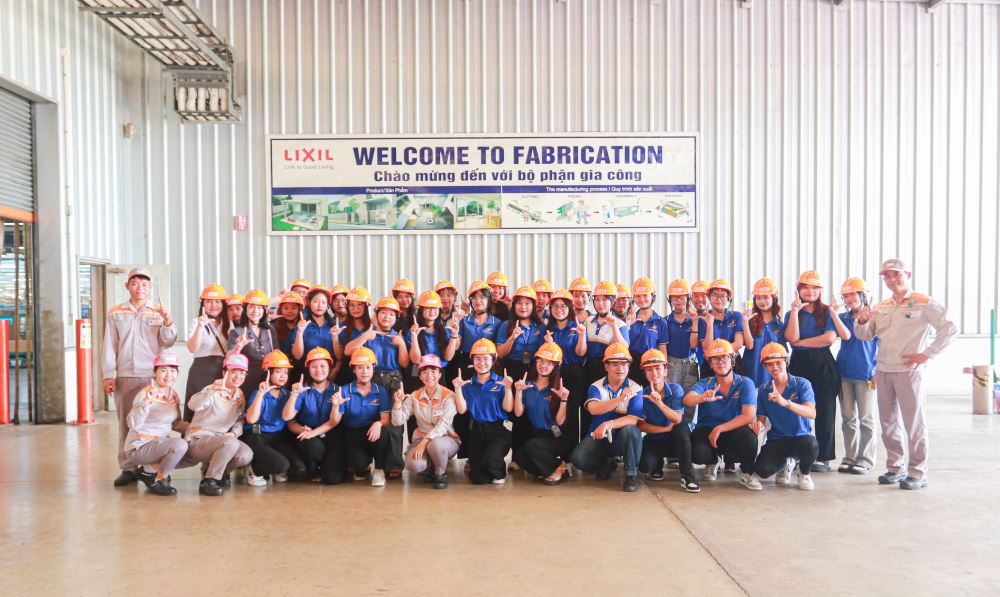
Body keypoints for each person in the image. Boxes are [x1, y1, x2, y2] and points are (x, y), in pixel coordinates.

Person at [854, 258, 957, 490]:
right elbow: (865, 335)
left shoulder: (923, 302)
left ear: (907, 275)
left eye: (896, 275)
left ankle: (918, 472)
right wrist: (861, 320)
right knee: (888, 423)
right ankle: (895, 468)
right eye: (887, 276)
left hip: (909, 372)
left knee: (914, 423)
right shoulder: (881, 306)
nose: (892, 280)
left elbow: (949, 328)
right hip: (884, 371)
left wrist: (926, 354)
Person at [103, 267, 178, 487]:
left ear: (150, 287)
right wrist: (108, 375)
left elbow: (167, 341)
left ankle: (152, 468)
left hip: (152, 377)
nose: (140, 288)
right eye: (135, 283)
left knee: (155, 423)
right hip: (125, 376)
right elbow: (109, 345)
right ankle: (128, 468)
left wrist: (168, 321)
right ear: (127, 286)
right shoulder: (116, 313)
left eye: (144, 284)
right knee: (127, 424)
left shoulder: (157, 312)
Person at [301, 347, 391, 487]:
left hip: (372, 432)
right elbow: (333, 422)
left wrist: (378, 423)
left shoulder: (381, 391)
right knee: (357, 463)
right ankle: (362, 468)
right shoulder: (343, 390)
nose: (364, 371)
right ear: (353, 370)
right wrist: (335, 406)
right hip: (352, 434)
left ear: (373, 368)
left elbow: (385, 419)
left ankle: (379, 469)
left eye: (368, 367)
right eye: (360, 368)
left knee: (384, 433)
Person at [345, 295, 411, 479]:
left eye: (391, 314)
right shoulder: (368, 333)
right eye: (383, 313)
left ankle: (394, 464)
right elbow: (348, 351)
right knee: (369, 418)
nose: (387, 317)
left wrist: (402, 345)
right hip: (370, 378)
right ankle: (368, 461)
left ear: (396, 317)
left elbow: (404, 363)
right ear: (376, 314)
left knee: (395, 422)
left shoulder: (398, 335)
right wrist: (365, 337)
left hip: (394, 380)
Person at [683, 339, 761, 491]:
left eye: (724, 357)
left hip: (733, 429)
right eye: (715, 359)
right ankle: (712, 461)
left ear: (732, 360)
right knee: (698, 453)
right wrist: (701, 397)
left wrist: (719, 429)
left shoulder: (745, 383)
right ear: (710, 364)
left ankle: (746, 472)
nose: (720, 362)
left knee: (749, 437)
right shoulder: (705, 383)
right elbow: (687, 400)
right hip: (707, 430)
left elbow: (748, 416)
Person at [783, 270, 840, 473]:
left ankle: (823, 457)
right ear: (798, 290)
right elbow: (791, 338)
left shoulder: (826, 312)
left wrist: (801, 343)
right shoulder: (791, 313)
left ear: (820, 291)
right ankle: (799, 453)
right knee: (797, 409)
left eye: (815, 288)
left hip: (823, 362)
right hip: (799, 363)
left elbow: (829, 338)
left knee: (825, 409)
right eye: (806, 287)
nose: (810, 291)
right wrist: (795, 312)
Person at [569, 343, 645, 492]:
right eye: (615, 364)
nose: (620, 368)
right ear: (606, 366)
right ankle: (606, 464)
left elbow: (633, 419)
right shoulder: (596, 387)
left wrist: (607, 424)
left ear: (629, 367)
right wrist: (619, 399)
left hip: (621, 439)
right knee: (578, 459)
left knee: (631, 431)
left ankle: (631, 475)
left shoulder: (636, 388)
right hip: (599, 438)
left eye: (624, 364)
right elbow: (594, 409)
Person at [752, 343, 819, 491]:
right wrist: (758, 425)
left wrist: (786, 403)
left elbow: (811, 412)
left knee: (811, 445)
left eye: (778, 362)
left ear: (786, 361)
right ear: (765, 366)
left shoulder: (802, 384)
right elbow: (761, 418)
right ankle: (786, 464)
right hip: (777, 439)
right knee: (762, 471)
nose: (775, 367)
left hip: (801, 437)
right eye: (770, 364)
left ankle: (804, 473)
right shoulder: (763, 390)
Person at [121, 351, 190, 496]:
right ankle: (157, 479)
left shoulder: (173, 395)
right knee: (180, 445)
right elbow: (133, 424)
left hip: (159, 444)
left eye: (173, 371)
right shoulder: (146, 394)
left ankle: (148, 471)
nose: (168, 375)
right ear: (154, 372)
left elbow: (176, 423)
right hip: (139, 446)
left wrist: (197, 429)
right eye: (163, 370)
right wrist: (145, 405)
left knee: (193, 453)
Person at [185, 354, 253, 496]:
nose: (238, 376)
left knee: (245, 455)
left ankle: (220, 473)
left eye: (242, 373)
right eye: (233, 372)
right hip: (199, 440)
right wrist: (210, 391)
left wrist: (234, 433)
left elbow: (240, 419)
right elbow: (193, 405)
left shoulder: (239, 394)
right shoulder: (212, 389)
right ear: (224, 372)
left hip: (221, 440)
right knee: (230, 443)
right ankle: (209, 481)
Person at [391, 354, 460, 489]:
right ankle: (430, 468)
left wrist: (425, 442)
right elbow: (397, 422)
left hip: (445, 439)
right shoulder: (414, 396)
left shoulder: (449, 396)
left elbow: (443, 425)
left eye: (434, 371)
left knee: (435, 445)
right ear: (420, 376)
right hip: (421, 439)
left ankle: (440, 473)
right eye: (425, 372)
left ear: (440, 374)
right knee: (413, 465)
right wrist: (398, 403)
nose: (429, 375)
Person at [453, 339, 515, 485]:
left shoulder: (502, 382)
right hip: (478, 430)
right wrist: (457, 389)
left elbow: (508, 408)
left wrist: (508, 389)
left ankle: (499, 473)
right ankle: (488, 468)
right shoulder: (467, 385)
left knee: (491, 458)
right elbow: (461, 410)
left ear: (493, 361)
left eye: (486, 359)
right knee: (478, 479)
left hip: (500, 429)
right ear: (472, 361)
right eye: (478, 359)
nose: (482, 363)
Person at [496, 285, 547, 462]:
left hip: (534, 371)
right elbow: (500, 353)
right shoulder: (505, 325)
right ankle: (516, 457)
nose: (523, 307)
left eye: (527, 303)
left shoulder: (540, 327)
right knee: (513, 413)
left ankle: (530, 456)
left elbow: (544, 354)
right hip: (512, 369)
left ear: (533, 306)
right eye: (519, 303)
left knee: (530, 411)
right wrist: (512, 337)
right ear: (514, 305)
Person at [282, 347, 347, 484]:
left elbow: (333, 422)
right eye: (314, 366)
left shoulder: (337, 390)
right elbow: (288, 418)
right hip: (308, 436)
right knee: (312, 447)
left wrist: (335, 406)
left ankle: (327, 467)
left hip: (330, 435)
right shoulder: (302, 389)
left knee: (332, 479)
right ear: (308, 369)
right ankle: (312, 468)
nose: (318, 370)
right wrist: (294, 395)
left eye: (322, 366)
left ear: (329, 368)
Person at [451, 281, 502, 458]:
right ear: (470, 301)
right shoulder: (464, 321)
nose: (478, 301)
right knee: (464, 411)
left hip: (487, 365)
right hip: (466, 364)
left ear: (489, 300)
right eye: (475, 298)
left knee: (485, 406)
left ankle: (489, 450)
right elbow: (457, 345)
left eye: (482, 297)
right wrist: (454, 333)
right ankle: (467, 454)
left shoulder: (497, 323)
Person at [636, 349, 698, 492]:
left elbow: (677, 418)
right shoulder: (642, 394)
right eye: (649, 369)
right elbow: (641, 425)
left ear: (665, 371)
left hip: (675, 441)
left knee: (681, 427)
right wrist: (664, 429)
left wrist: (659, 403)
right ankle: (657, 464)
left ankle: (688, 475)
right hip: (655, 440)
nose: (654, 373)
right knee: (645, 465)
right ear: (644, 373)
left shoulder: (676, 389)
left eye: (658, 368)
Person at [512, 342, 574, 485]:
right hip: (537, 434)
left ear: (555, 366)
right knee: (520, 457)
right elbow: (518, 413)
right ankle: (550, 470)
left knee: (531, 446)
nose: (543, 365)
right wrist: (519, 392)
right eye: (540, 361)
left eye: (549, 363)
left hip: (556, 436)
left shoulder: (558, 389)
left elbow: (560, 422)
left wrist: (563, 400)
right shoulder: (527, 385)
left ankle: (559, 467)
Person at [834, 277, 879, 475]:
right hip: (844, 373)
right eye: (846, 296)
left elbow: (883, 345)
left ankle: (865, 459)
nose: (849, 299)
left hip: (866, 374)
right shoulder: (842, 318)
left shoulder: (875, 317)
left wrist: (878, 371)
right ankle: (849, 457)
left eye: (853, 295)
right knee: (847, 418)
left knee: (866, 418)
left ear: (863, 295)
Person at [241, 350, 302, 485]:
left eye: (285, 372)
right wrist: (261, 394)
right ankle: (252, 469)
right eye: (278, 372)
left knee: (298, 466)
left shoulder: (287, 394)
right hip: (256, 435)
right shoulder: (258, 393)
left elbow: (288, 417)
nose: (283, 376)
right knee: (282, 465)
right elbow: (251, 419)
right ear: (268, 373)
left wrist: (294, 395)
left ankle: (273, 467)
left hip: (276, 437)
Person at [544, 289, 588, 443]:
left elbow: (581, 353)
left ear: (570, 308)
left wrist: (581, 336)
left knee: (572, 411)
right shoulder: (547, 329)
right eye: (555, 306)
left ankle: (572, 449)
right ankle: (556, 445)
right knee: (555, 408)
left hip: (575, 372)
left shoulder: (577, 326)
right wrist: (548, 344)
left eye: (563, 306)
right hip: (554, 373)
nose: (559, 309)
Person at [184, 283, 230, 420]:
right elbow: (192, 348)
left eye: (217, 301)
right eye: (209, 301)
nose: (213, 305)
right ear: (202, 304)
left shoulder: (228, 323)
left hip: (223, 370)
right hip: (201, 371)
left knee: (220, 408)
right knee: (198, 407)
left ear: (223, 304)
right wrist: (200, 326)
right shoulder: (196, 322)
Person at [227, 289, 279, 400]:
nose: (255, 311)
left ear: (264, 310)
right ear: (245, 309)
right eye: (251, 307)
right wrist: (237, 348)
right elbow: (228, 358)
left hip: (268, 381)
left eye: (259, 307)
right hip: (247, 381)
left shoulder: (270, 330)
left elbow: (276, 355)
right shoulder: (236, 332)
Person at [741, 278, 786, 387]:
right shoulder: (750, 322)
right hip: (751, 375)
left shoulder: (780, 325)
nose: (762, 301)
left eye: (766, 297)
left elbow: (783, 355)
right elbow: (749, 345)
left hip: (773, 378)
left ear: (773, 298)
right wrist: (745, 323)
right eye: (758, 298)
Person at [582, 281, 629, 385]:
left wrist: (613, 326)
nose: (600, 303)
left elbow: (624, 348)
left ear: (612, 302)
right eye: (597, 299)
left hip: (608, 371)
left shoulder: (620, 325)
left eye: (604, 299)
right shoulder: (588, 321)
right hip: (587, 370)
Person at [699, 279, 746, 379]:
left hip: (733, 363)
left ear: (728, 298)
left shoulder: (736, 316)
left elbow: (739, 343)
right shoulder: (703, 318)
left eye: (723, 296)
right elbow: (707, 347)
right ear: (709, 297)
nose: (719, 299)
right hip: (711, 364)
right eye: (715, 295)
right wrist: (710, 324)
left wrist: (718, 353)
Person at [626, 277, 669, 385]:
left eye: (645, 295)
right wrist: (627, 325)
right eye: (638, 296)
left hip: (653, 364)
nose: (642, 299)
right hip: (632, 364)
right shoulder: (628, 320)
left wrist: (664, 372)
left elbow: (662, 349)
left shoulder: (660, 322)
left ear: (652, 296)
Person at [662, 278, 700, 392]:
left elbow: (693, 346)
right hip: (672, 364)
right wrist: (664, 370)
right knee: (673, 395)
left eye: (682, 297)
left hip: (691, 362)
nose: (678, 300)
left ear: (688, 298)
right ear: (670, 299)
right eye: (675, 297)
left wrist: (694, 321)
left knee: (691, 395)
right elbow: (663, 347)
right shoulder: (665, 321)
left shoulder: (695, 319)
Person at [334, 286, 371, 386]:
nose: (355, 308)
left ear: (366, 306)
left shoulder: (372, 327)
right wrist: (335, 337)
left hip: (368, 374)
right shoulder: (342, 327)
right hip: (347, 375)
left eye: (359, 305)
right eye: (352, 305)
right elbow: (340, 356)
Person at [272, 291, 305, 360]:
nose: (289, 311)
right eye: (286, 308)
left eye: (294, 308)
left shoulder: (306, 327)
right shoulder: (272, 326)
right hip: (279, 365)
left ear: (300, 310)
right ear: (280, 310)